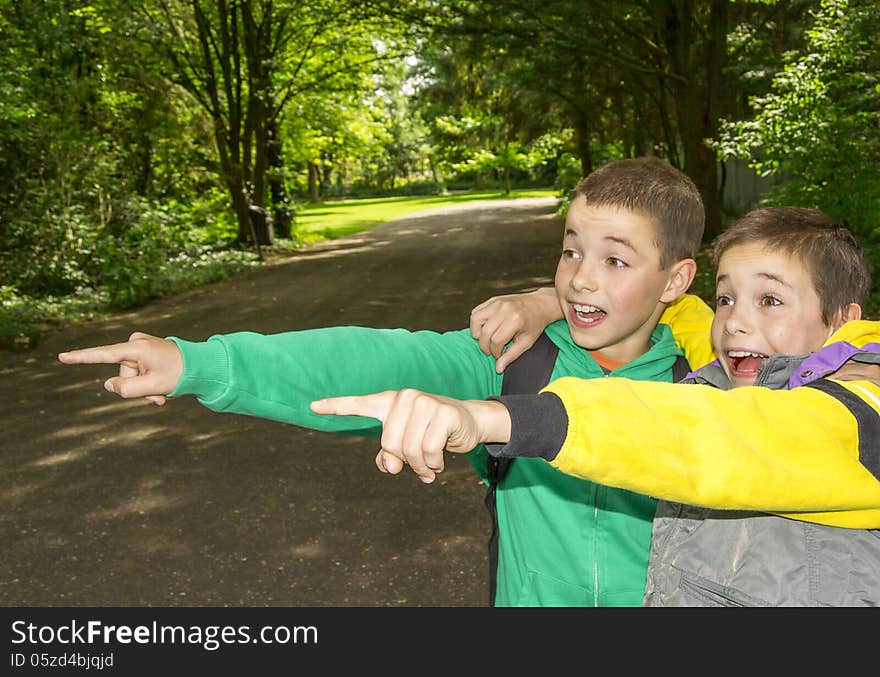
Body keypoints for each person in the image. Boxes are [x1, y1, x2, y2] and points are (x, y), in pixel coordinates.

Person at [58, 157, 712, 607]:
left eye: (615, 259)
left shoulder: (711, 391)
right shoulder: (516, 362)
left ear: (676, 280)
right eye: (570, 250)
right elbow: (371, 358)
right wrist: (199, 362)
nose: (581, 279)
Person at [312, 207, 880, 606]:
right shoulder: (736, 357)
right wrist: (552, 301)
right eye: (727, 296)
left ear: (843, 322)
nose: (735, 320)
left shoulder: (861, 410)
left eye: (771, 299)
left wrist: (501, 417)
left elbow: (714, 438)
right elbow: (673, 308)